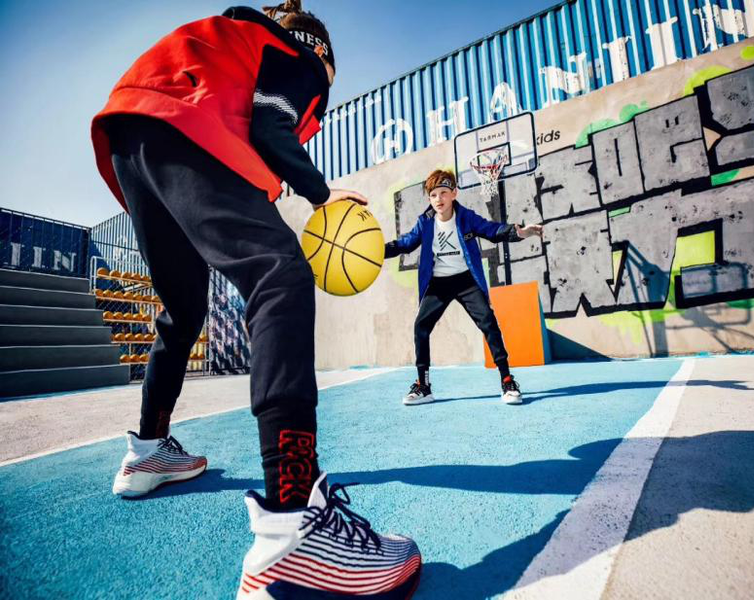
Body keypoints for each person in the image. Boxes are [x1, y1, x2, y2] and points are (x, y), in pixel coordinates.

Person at [90, 2, 421, 597]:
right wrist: (320, 192)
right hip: (183, 127)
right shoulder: (300, 57)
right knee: (280, 273)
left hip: (131, 135)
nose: (321, 99)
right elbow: (271, 127)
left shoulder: (231, 42)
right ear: (323, 55)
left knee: (182, 312)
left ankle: (148, 449)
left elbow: (245, 123)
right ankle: (294, 521)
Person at [385, 169, 543, 406]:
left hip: (466, 281)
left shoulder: (466, 217)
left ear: (454, 193)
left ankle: (507, 380)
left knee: (488, 322)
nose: (438, 199)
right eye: (433, 195)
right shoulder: (425, 222)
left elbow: (491, 230)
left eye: (443, 193)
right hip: (438, 283)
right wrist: (378, 250)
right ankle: (423, 386)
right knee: (421, 326)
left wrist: (518, 232)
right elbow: (406, 243)